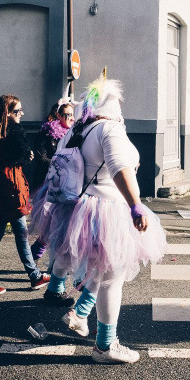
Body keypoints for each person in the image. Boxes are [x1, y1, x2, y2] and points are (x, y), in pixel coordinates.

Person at [34, 74, 167, 363]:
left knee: (102, 270)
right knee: (112, 277)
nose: (122, 108)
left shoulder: (77, 130)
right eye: (118, 102)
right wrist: (135, 206)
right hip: (107, 211)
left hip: (77, 209)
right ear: (112, 105)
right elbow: (120, 168)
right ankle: (105, 346)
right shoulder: (109, 129)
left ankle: (80, 314)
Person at [0, 95, 50, 295]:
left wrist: (24, 155)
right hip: (4, 197)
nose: (21, 114)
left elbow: (12, 163)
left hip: (14, 194)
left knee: (21, 235)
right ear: (6, 112)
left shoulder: (11, 134)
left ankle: (34, 276)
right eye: (17, 111)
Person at [28, 99, 75, 260]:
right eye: (67, 115)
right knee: (49, 226)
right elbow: (42, 158)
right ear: (57, 115)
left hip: (66, 185)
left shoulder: (72, 135)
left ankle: (55, 265)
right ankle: (34, 261)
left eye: (72, 115)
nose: (71, 118)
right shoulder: (46, 133)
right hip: (47, 186)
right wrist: (60, 163)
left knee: (63, 226)